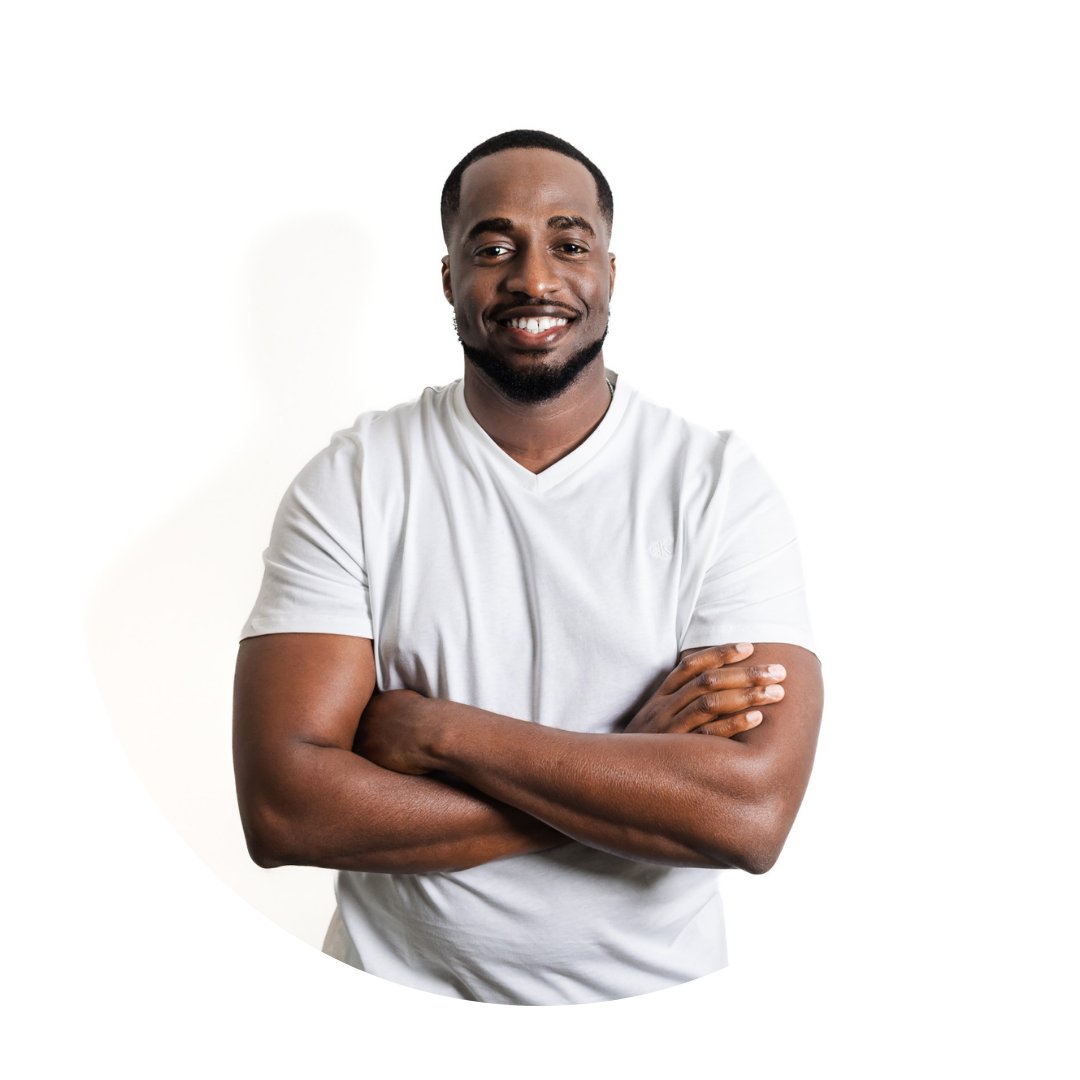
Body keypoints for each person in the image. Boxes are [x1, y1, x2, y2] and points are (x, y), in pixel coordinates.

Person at [232, 129, 823, 1006]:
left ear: (611, 273)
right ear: (449, 280)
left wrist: (440, 734)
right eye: (495, 246)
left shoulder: (715, 485)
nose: (535, 279)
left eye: (569, 244)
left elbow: (748, 816)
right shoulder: (356, 478)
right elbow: (286, 810)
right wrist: (632, 777)